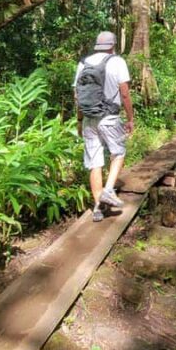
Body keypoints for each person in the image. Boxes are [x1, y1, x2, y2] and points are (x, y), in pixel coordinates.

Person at [74, 31, 134, 222]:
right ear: (113, 45)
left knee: (95, 162)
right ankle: (108, 190)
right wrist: (130, 118)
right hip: (109, 118)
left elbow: (78, 96)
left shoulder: (83, 63)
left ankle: (98, 208)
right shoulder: (117, 62)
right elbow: (125, 94)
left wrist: (79, 120)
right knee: (119, 152)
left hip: (88, 119)